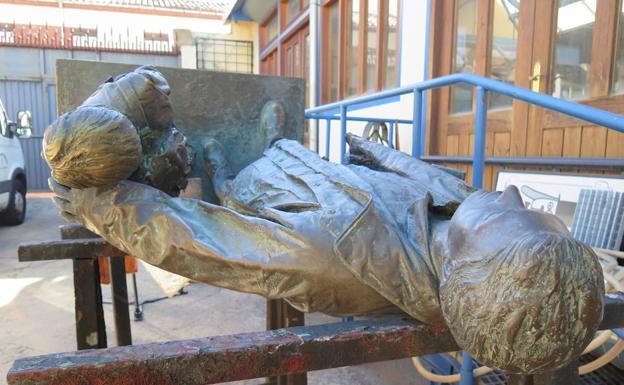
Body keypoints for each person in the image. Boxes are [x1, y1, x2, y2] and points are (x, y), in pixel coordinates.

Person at [45, 67, 604, 375]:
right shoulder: (466, 231)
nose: (509, 193)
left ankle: (227, 166)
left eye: (517, 217)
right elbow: (444, 184)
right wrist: (381, 156)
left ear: (469, 266)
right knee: (287, 157)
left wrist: (87, 184)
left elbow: (192, 240)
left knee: (231, 187)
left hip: (273, 202)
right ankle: (274, 146)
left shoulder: (328, 262)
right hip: (306, 171)